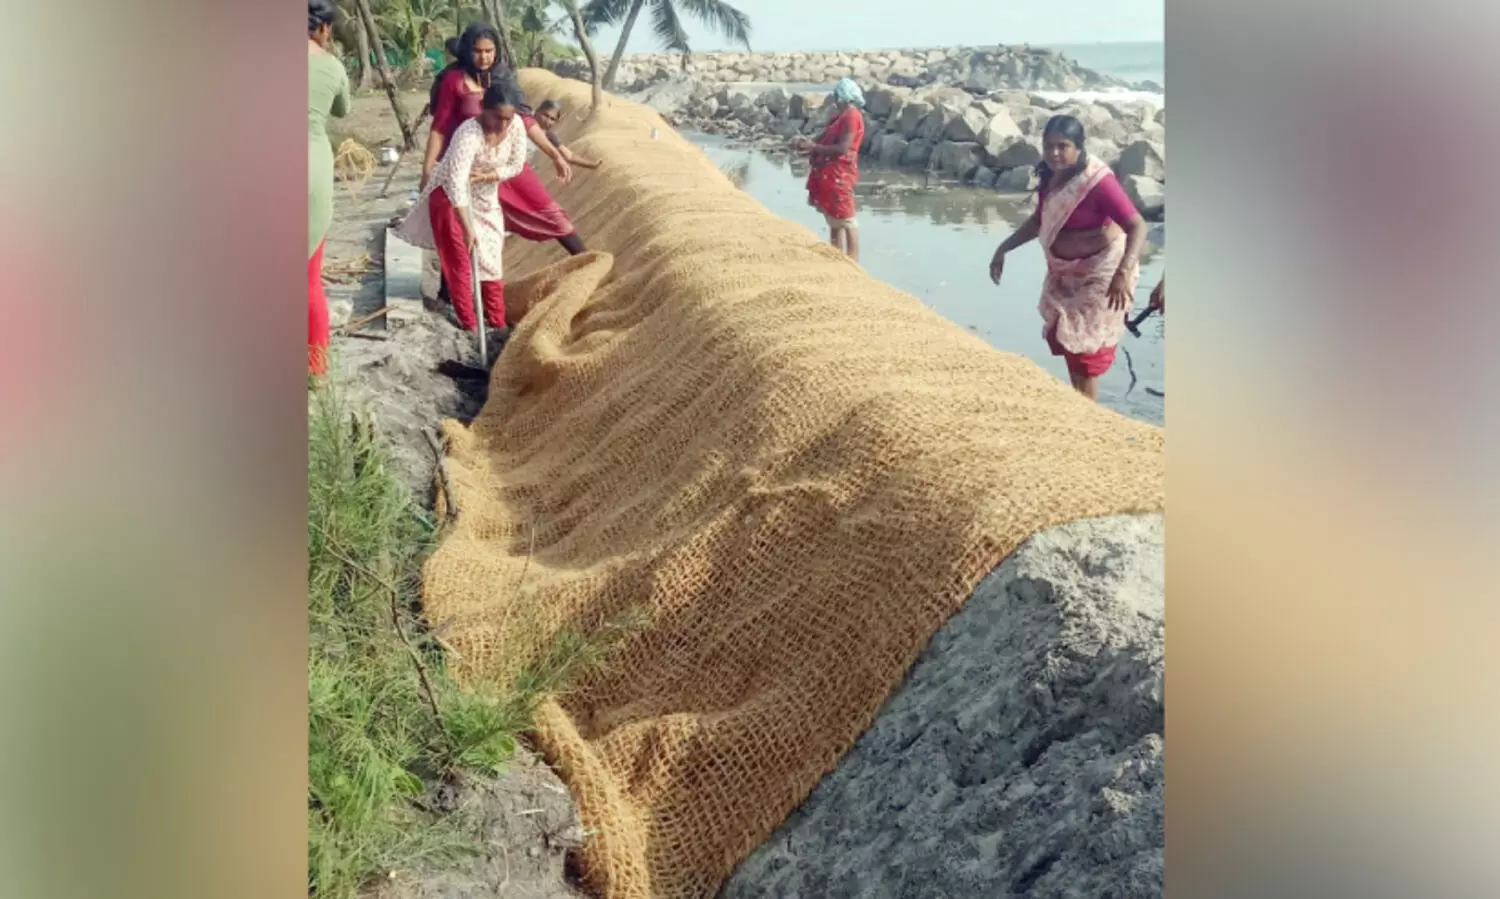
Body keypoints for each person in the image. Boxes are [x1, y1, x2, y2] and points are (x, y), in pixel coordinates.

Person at [988, 115, 1148, 400]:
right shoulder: (1050, 176)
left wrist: (1123, 272)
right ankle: (1081, 405)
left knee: (1085, 350)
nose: (1054, 153)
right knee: (1065, 339)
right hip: (1065, 272)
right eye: (1048, 146)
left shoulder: (1097, 182)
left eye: (1062, 146)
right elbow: (1040, 220)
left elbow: (1137, 225)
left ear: (1079, 147)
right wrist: (1004, 248)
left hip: (1102, 272)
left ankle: (1088, 414)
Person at [421, 23, 584, 256]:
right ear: (467, 50)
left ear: (497, 50)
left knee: (551, 214)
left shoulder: (504, 78)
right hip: (472, 168)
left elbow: (526, 120)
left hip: (505, 162)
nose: (484, 57)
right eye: (478, 51)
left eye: (489, 51)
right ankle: (451, 281)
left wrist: (555, 155)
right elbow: (439, 127)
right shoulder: (454, 80)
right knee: (464, 234)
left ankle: (586, 259)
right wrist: (427, 171)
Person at [396, 82, 530, 336]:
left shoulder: (516, 126)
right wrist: (468, 228)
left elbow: (516, 164)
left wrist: (491, 175)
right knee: (460, 261)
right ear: (483, 109)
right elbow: (456, 184)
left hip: (485, 196)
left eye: (508, 119)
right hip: (449, 198)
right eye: (497, 117)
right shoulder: (467, 135)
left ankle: (497, 321)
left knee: (491, 257)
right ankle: (469, 323)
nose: (503, 125)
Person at [307, 0, 350, 376]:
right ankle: (316, 370)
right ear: (323, 28)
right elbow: (342, 110)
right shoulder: (333, 66)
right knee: (309, 279)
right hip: (313, 168)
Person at [795, 78, 866, 261]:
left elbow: (843, 148)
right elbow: (825, 138)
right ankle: (836, 256)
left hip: (840, 172)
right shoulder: (841, 116)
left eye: (836, 95)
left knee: (847, 218)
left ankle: (852, 259)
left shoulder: (852, 116)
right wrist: (809, 145)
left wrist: (814, 148)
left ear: (843, 96)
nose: (834, 99)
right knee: (834, 217)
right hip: (831, 173)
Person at [533, 100, 602, 171]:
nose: (547, 121)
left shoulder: (549, 136)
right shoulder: (526, 121)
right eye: (545, 115)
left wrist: (593, 164)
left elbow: (569, 156)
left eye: (552, 119)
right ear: (537, 111)